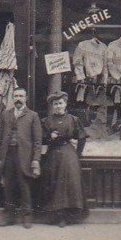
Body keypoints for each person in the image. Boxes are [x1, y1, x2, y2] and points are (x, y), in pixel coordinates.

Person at [40, 91, 89, 227]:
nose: (58, 106)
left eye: (60, 103)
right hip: (53, 154)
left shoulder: (73, 119)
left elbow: (82, 137)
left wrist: (77, 154)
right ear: (52, 106)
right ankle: (57, 216)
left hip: (69, 154)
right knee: (54, 184)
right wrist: (50, 137)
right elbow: (41, 140)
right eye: (55, 104)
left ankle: (69, 215)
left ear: (65, 104)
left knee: (70, 184)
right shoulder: (46, 121)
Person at [0, 86, 42, 228]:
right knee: (8, 186)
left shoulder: (33, 115)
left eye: (21, 96)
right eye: (16, 96)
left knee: (24, 186)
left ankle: (27, 216)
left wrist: (35, 159)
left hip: (25, 156)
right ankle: (9, 216)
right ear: (13, 98)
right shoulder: (5, 114)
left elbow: (37, 141)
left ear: (26, 98)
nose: (18, 99)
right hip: (8, 154)